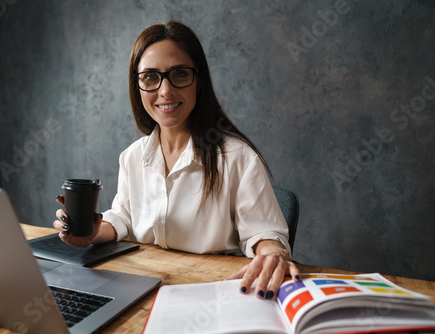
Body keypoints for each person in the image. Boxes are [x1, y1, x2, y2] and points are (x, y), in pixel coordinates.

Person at [53, 20, 300, 300]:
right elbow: (124, 218)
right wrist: (91, 232)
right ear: (137, 86)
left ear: (199, 80)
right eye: (150, 77)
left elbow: (265, 235)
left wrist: (273, 252)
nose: (165, 91)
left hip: (216, 294)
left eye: (179, 74)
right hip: (143, 290)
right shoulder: (133, 157)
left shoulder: (237, 157)